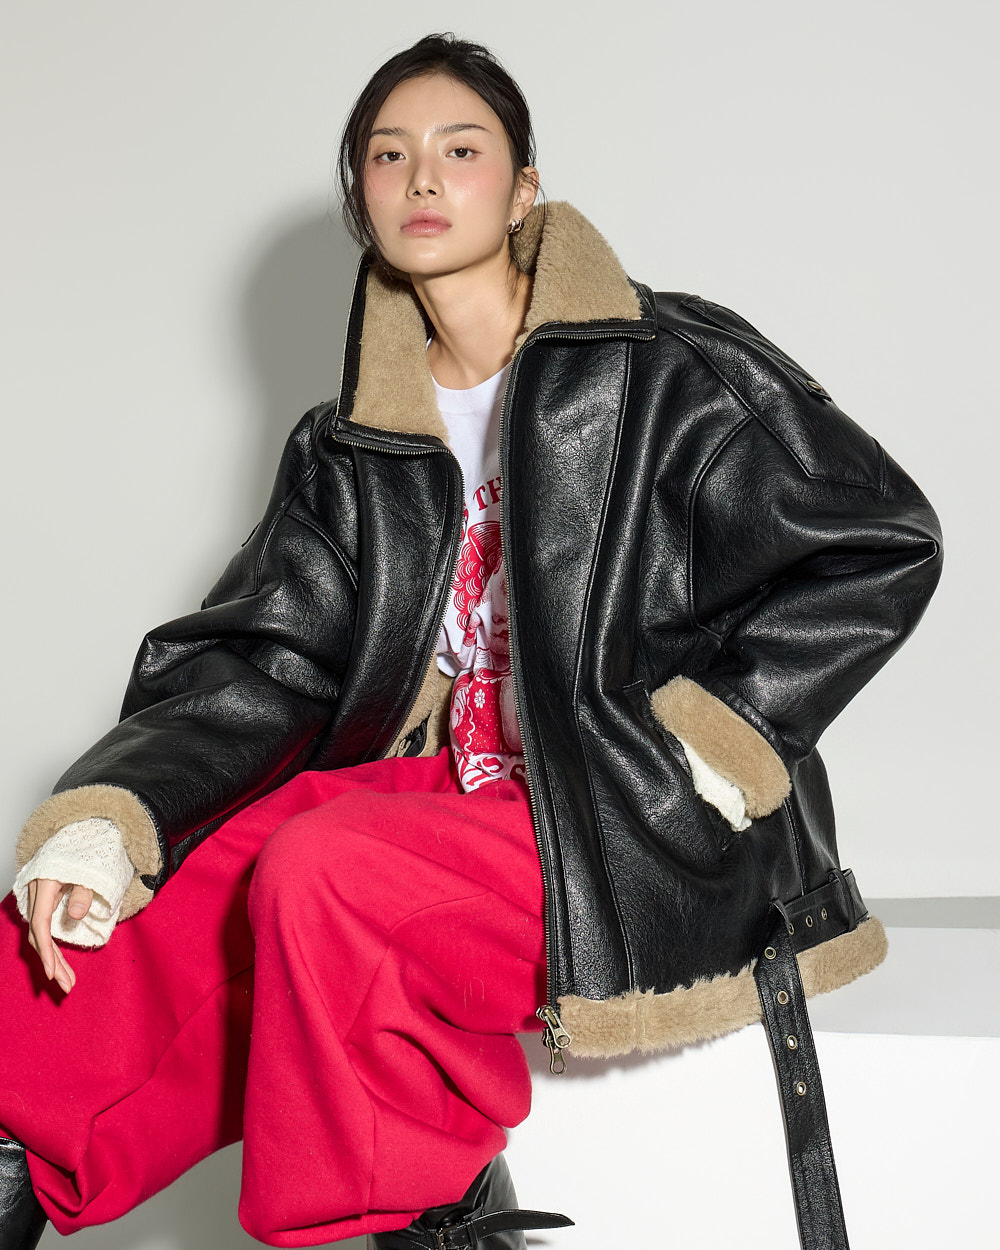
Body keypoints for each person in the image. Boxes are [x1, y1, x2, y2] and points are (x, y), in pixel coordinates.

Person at [0, 30, 943, 1250]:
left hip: (641, 819)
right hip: (461, 791)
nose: (423, 179)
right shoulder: (349, 443)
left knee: (329, 872)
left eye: (460, 150)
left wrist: (720, 739)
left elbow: (878, 538)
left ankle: (440, 1214)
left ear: (523, 186)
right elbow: (266, 662)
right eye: (388, 156)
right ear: (362, 197)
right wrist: (113, 814)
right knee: (138, 893)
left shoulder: (665, 366)